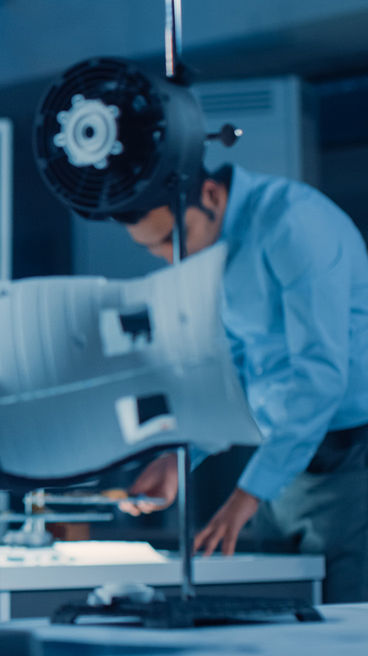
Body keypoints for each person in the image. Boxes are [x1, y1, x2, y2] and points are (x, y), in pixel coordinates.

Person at [118, 164, 368, 603]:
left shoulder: (294, 225)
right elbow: (233, 370)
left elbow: (320, 378)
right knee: (287, 614)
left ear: (211, 195)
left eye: (175, 238)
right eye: (156, 248)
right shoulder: (213, 246)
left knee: (346, 622)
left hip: (350, 459)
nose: (172, 257)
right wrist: (183, 455)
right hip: (282, 459)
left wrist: (248, 495)